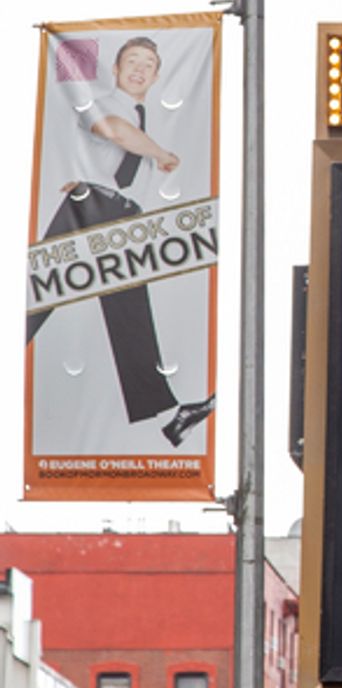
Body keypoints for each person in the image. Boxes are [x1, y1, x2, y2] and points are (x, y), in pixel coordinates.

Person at [26, 36, 215, 447]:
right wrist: (161, 153)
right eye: (132, 61)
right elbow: (114, 131)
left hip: (119, 214)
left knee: (126, 308)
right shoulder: (106, 104)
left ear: (157, 75)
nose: (139, 69)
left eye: (148, 63)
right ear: (115, 69)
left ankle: (168, 413)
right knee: (37, 296)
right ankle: (168, 412)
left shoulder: (141, 116)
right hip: (91, 207)